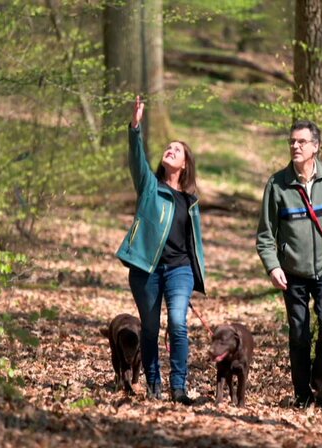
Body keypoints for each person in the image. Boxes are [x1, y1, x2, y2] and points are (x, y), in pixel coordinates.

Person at [255, 119, 322, 408]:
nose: (295, 145)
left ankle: (319, 378)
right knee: (299, 333)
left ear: (316, 146)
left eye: (302, 141)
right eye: (292, 141)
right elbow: (265, 235)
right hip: (292, 273)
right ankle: (302, 395)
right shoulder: (277, 184)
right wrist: (273, 266)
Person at [116, 96, 206, 405]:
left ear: (185, 164)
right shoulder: (149, 186)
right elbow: (136, 157)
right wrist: (135, 127)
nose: (170, 150)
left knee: (178, 323)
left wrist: (198, 274)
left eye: (177, 149)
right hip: (146, 270)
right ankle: (153, 384)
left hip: (179, 270)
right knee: (151, 329)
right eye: (168, 147)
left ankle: (178, 386)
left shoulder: (191, 202)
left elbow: (196, 245)